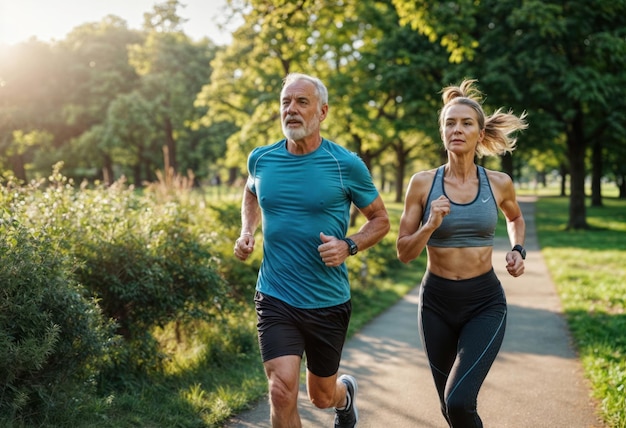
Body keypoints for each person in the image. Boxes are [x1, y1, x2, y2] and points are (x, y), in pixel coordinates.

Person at [234, 72, 390, 428]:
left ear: (322, 112)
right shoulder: (261, 159)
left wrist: (349, 245)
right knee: (281, 391)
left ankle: (343, 396)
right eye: (285, 102)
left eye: (302, 102)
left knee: (321, 396)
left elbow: (380, 219)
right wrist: (247, 231)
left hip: (327, 300)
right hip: (275, 294)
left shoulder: (345, 164)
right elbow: (251, 191)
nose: (291, 109)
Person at [396, 79, 528, 427]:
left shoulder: (498, 183)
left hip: (484, 302)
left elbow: (514, 217)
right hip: (436, 304)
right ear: (442, 132)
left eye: (466, 123)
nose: (457, 129)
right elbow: (404, 252)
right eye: (449, 123)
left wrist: (518, 249)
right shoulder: (423, 184)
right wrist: (430, 225)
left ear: (480, 132)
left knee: (458, 402)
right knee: (450, 407)